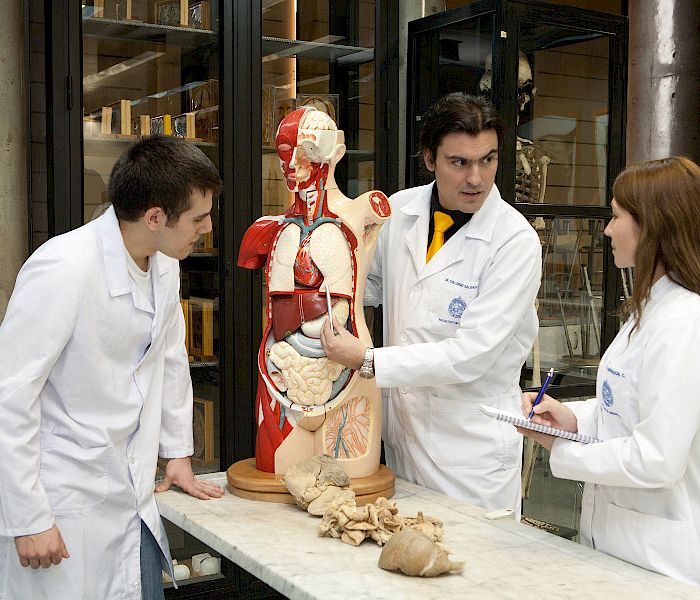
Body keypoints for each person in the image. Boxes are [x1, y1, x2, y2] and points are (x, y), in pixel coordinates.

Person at [0, 135, 225, 600]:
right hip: (64, 507)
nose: (207, 228)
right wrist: (28, 517)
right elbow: (10, 396)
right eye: (199, 217)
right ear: (155, 217)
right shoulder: (63, 268)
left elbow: (169, 356)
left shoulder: (164, 264)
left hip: (132, 502)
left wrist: (178, 451)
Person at [321, 93, 542, 511]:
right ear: (429, 158)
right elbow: (367, 287)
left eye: (488, 160)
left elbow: (470, 355)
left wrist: (368, 360)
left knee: (472, 571)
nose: (476, 177)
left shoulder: (514, 241)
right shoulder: (401, 210)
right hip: (401, 441)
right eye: (459, 162)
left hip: (470, 455)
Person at [519, 156, 700, 587]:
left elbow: (657, 458)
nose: (606, 229)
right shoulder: (650, 312)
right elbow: (627, 409)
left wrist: (564, 453)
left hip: (661, 560)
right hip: (619, 546)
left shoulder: (686, 323)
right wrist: (573, 419)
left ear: (653, 225)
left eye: (616, 216)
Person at [238, 107, 390, 476]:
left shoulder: (363, 213)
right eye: (286, 151)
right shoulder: (268, 227)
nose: (294, 163)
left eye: (306, 150)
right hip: (281, 377)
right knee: (277, 484)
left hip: (349, 371)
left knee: (346, 496)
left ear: (335, 152)